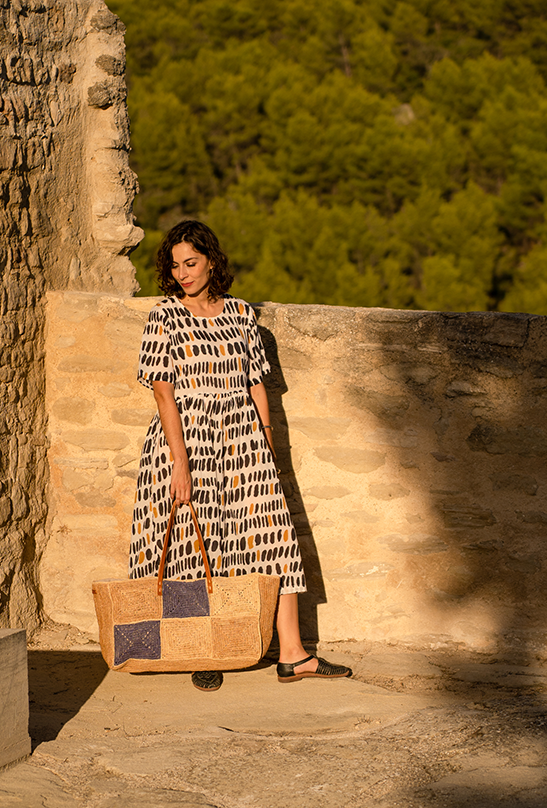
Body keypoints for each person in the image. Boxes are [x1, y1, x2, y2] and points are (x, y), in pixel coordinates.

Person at [129, 220, 351, 690]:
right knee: (193, 543)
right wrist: (180, 465)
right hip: (187, 440)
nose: (184, 273)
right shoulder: (164, 316)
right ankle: (200, 647)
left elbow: (256, 383)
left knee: (274, 535)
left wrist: (267, 441)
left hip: (243, 439)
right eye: (175, 265)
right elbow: (164, 396)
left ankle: (292, 654)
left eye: (191, 262)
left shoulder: (241, 314)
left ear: (212, 260)